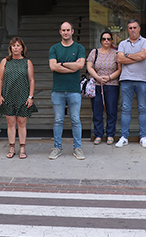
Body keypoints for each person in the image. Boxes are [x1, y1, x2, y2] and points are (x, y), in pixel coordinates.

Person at [48, 21, 86, 160]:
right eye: (63, 30)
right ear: (60, 32)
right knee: (58, 120)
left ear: (72, 31)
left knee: (75, 120)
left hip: (74, 90)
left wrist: (62, 64)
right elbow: (53, 67)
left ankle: (77, 148)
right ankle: (57, 148)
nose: (65, 32)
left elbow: (80, 65)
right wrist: (72, 66)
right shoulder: (54, 48)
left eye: (68, 30)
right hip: (58, 90)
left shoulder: (79, 47)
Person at [0, 37, 37, 159]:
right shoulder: (5, 61)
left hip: (23, 96)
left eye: (18, 45)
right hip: (8, 95)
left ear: (22, 48)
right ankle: (12, 147)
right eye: (14, 46)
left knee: (22, 123)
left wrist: (31, 96)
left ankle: (22, 148)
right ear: (10, 48)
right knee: (11, 123)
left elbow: (31, 80)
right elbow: (0, 79)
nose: (16, 48)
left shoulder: (27, 62)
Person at [115, 19, 146, 148]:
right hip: (126, 79)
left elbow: (143, 56)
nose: (133, 30)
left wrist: (127, 56)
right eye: (130, 28)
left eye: (135, 27)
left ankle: (143, 137)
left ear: (139, 28)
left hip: (142, 80)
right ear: (128, 29)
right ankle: (124, 137)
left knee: (142, 108)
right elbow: (119, 58)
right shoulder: (122, 43)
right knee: (125, 108)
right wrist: (136, 56)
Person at [86, 30, 121, 145]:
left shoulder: (116, 53)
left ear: (111, 41)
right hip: (97, 85)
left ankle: (110, 134)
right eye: (104, 39)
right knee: (97, 110)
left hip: (112, 85)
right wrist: (97, 77)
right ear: (101, 41)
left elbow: (119, 69)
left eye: (108, 39)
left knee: (111, 110)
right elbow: (89, 66)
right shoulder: (94, 52)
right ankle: (98, 134)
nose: (106, 41)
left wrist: (109, 77)